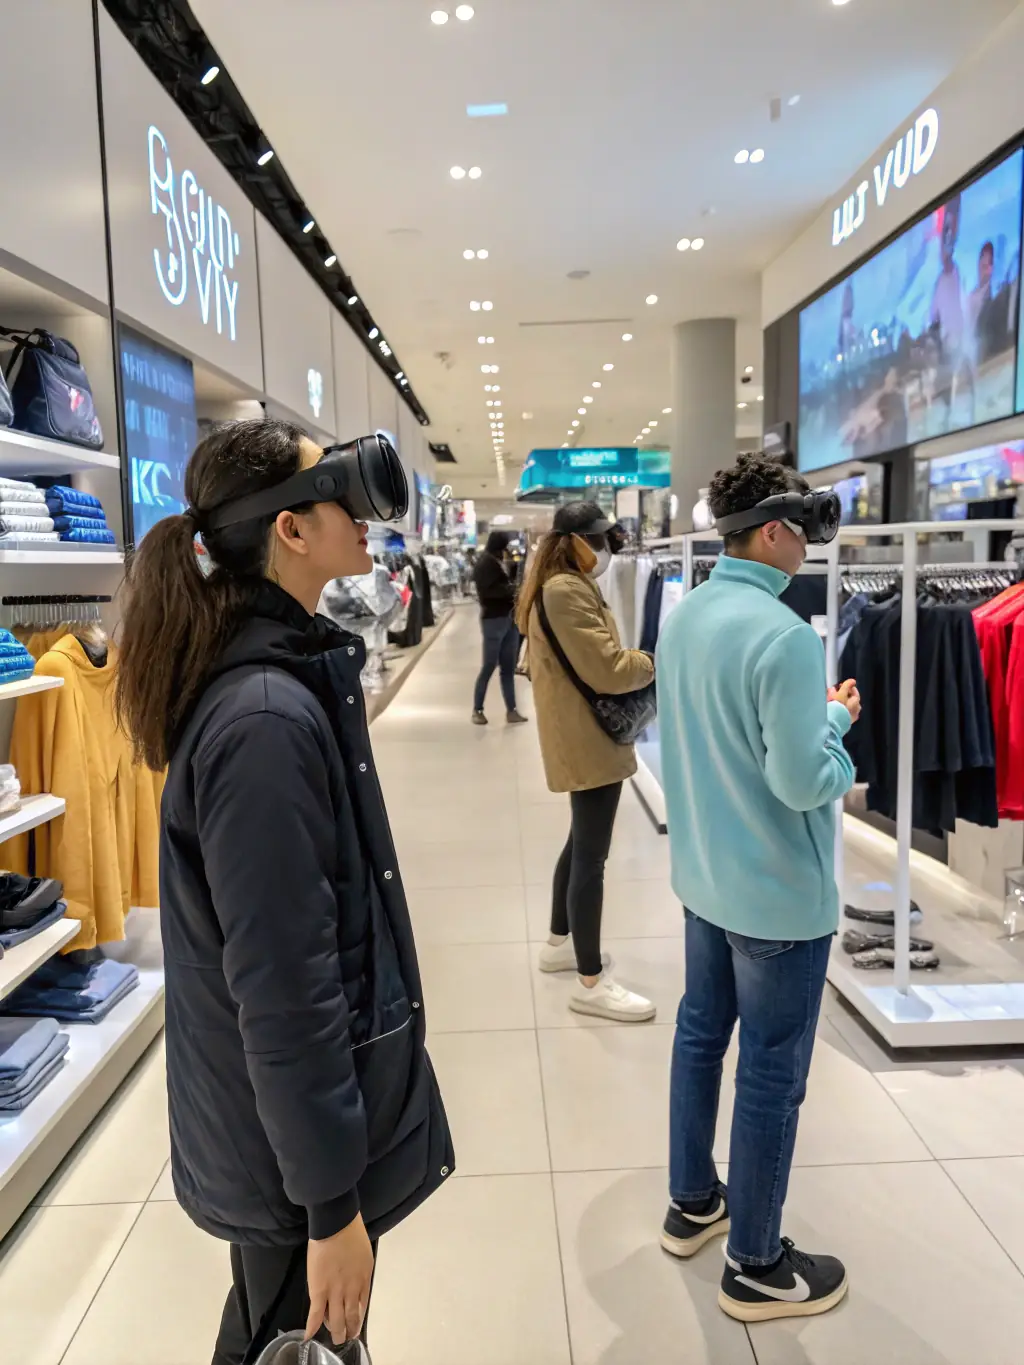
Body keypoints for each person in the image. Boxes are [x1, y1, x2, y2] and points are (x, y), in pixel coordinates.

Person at [114, 419, 453, 1363]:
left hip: (285, 1143)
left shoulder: (277, 683)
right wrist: (330, 1205)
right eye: (336, 488)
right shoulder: (263, 720)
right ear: (290, 530)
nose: (364, 511)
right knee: (291, 1340)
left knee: (282, 1334)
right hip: (291, 1160)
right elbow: (285, 988)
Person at [655, 454, 859, 1322]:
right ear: (772, 530)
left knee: (700, 1036)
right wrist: (838, 722)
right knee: (772, 1074)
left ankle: (692, 1200)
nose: (808, 543)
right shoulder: (783, 637)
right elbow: (802, 781)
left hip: (705, 879)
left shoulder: (687, 617)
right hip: (776, 896)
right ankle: (756, 1262)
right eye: (802, 529)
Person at [517, 501, 656, 1022]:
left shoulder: (559, 585)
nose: (602, 548)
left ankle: (560, 944)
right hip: (588, 738)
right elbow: (609, 669)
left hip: (580, 733)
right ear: (571, 541)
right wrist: (653, 660)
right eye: (595, 538)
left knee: (580, 843)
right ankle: (591, 981)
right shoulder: (565, 589)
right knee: (590, 858)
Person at [472, 529, 527, 725]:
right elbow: (487, 593)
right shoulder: (485, 564)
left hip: (508, 618)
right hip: (494, 620)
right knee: (489, 665)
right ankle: (477, 709)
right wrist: (511, 590)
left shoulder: (496, 561)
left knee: (508, 667)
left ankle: (512, 710)